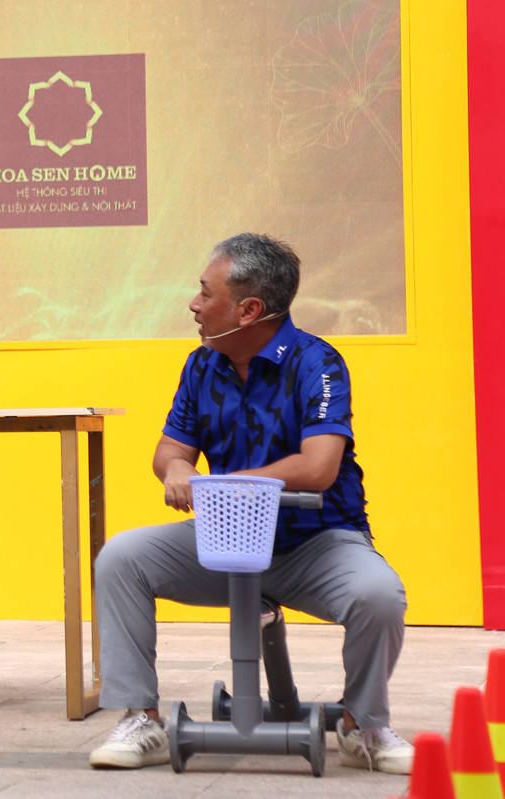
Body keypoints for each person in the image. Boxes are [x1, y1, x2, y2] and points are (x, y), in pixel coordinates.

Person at [87, 233, 413, 774]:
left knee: (378, 595)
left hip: (314, 544)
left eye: (204, 292)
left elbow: (318, 467)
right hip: (226, 541)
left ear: (249, 310)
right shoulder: (202, 365)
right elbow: (171, 450)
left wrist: (225, 485)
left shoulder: (318, 363)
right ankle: (142, 719)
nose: (193, 304)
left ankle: (363, 724)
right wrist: (178, 470)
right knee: (121, 558)